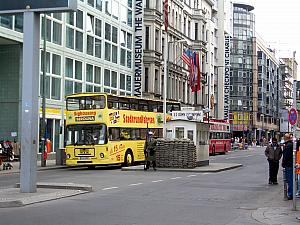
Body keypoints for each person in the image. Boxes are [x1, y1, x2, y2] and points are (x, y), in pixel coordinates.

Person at [282, 133, 294, 200]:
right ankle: (291, 193)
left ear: (286, 138)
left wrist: (283, 163)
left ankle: (290, 194)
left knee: (289, 180)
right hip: (290, 164)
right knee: (290, 179)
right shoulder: (291, 144)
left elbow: (286, 156)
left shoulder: (288, 145)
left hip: (288, 165)